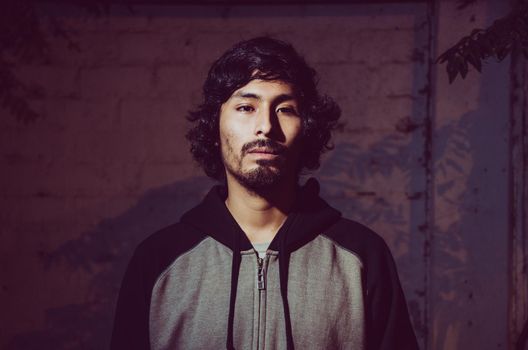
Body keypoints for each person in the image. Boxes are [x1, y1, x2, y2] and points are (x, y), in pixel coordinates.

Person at [111, 37, 419, 350]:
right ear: (215, 127)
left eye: (285, 109)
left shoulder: (362, 256)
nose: (266, 127)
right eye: (246, 107)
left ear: (306, 129)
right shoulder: (159, 260)